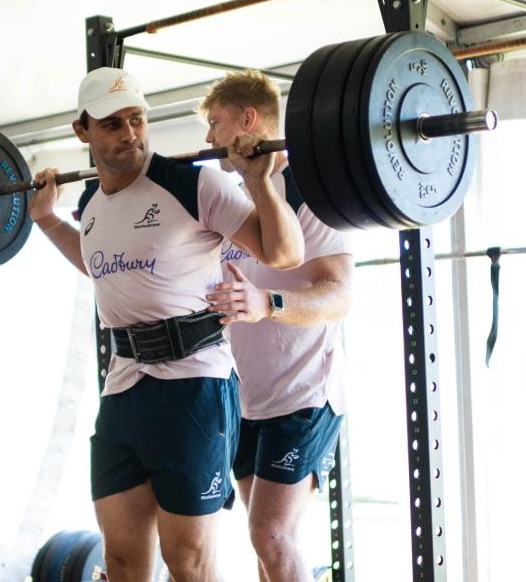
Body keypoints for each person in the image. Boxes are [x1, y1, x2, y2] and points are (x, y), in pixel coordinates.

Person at [28, 67, 305, 582]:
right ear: (81, 131)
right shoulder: (89, 204)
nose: (130, 133)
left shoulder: (194, 184)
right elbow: (98, 265)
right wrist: (46, 220)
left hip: (193, 388)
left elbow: (285, 253)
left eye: (136, 119)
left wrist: (259, 179)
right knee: (123, 562)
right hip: (123, 389)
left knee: (189, 562)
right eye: (112, 124)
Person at [201, 70, 354, 582]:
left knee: (270, 535)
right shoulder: (229, 203)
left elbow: (337, 295)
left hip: (305, 395)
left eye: (215, 123)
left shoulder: (311, 195)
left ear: (249, 120)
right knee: (267, 546)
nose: (207, 138)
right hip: (249, 399)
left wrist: (268, 303)